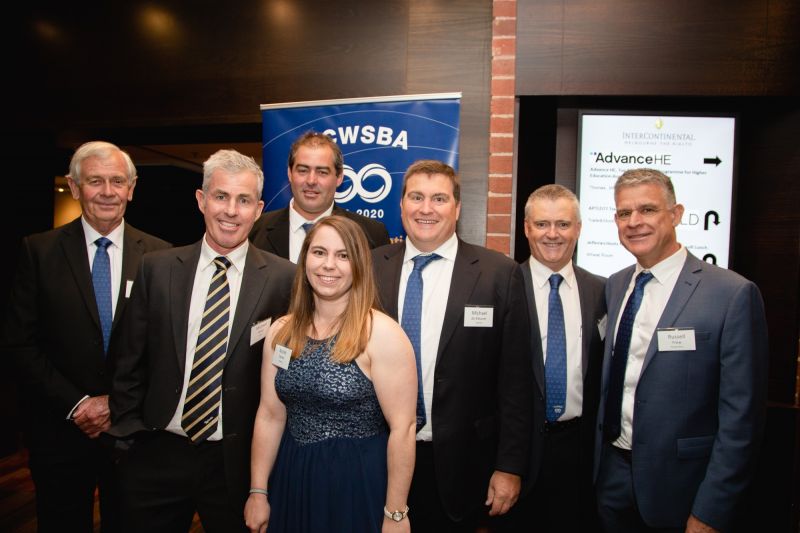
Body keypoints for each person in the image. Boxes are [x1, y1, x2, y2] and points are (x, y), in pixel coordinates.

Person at [109, 149, 295, 532]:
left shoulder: (283, 279)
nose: (231, 211)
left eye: (244, 200)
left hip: (236, 461)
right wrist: (130, 436)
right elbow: (128, 361)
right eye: (221, 196)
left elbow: (286, 373)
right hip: (157, 453)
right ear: (201, 200)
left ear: (258, 210)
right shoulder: (157, 269)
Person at [1, 141, 170, 532]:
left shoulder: (160, 257)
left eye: (117, 181)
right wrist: (78, 404)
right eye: (95, 181)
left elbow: (165, 347)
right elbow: (18, 343)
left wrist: (117, 402)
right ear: (75, 187)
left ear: (132, 188)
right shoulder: (39, 251)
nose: (108, 192)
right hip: (59, 431)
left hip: (132, 433)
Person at [595, 168, 768, 532]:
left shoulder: (731, 294)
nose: (634, 222)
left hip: (683, 489)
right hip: (610, 477)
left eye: (648, 209)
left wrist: (711, 510)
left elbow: (741, 419)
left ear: (676, 214)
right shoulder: (616, 285)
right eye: (624, 213)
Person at [372, 160, 534, 530]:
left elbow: (516, 381)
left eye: (439, 199)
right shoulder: (370, 266)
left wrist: (509, 466)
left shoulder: (498, 273)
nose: (426, 209)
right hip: (378, 456)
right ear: (401, 205)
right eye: (416, 197)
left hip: (464, 464)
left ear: (457, 208)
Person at [244, 215, 416, 533]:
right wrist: (258, 491)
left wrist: (396, 513)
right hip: (291, 477)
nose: (328, 265)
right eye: (319, 252)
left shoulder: (382, 335)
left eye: (343, 255)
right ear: (305, 259)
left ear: (359, 265)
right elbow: (269, 414)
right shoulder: (281, 331)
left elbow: (403, 429)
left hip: (355, 484)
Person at [502, 184, 605, 532]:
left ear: (578, 228)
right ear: (526, 228)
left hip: (580, 451)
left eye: (563, 224)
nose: (552, 234)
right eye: (542, 224)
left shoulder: (602, 291)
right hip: (518, 450)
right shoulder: (502, 285)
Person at [249, 131, 390, 262]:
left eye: (322, 172)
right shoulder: (254, 229)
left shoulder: (371, 235)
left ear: (339, 177)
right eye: (303, 170)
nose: (311, 181)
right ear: (290, 174)